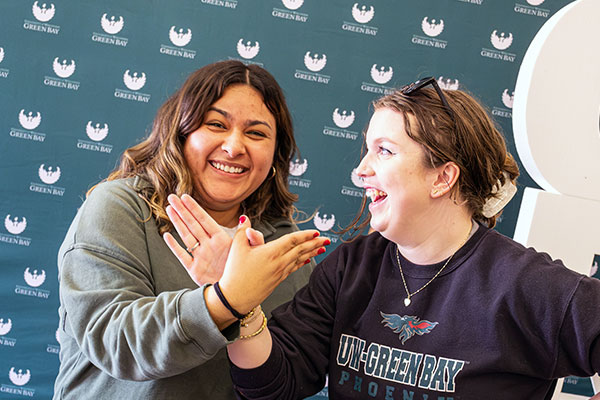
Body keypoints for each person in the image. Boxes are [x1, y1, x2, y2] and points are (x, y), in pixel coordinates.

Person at [169, 77, 600, 399]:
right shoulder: (351, 269)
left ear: (442, 177)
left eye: (384, 151)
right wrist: (235, 302)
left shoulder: (524, 284)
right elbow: (274, 385)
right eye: (366, 149)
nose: (361, 171)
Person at [53, 60, 329, 400]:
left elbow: (296, 376)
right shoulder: (119, 207)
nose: (234, 147)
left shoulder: (283, 246)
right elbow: (118, 343)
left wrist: (247, 318)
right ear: (180, 132)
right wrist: (226, 299)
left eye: (256, 133)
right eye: (216, 124)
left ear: (275, 155)